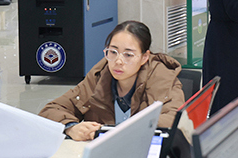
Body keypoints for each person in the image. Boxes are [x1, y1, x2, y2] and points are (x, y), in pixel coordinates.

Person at [39, 20, 184, 141]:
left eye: (128, 55)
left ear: (144, 57)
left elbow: (175, 120)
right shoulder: (99, 75)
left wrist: (122, 129)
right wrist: (71, 127)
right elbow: (51, 110)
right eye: (113, 52)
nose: (118, 61)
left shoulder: (162, 77)